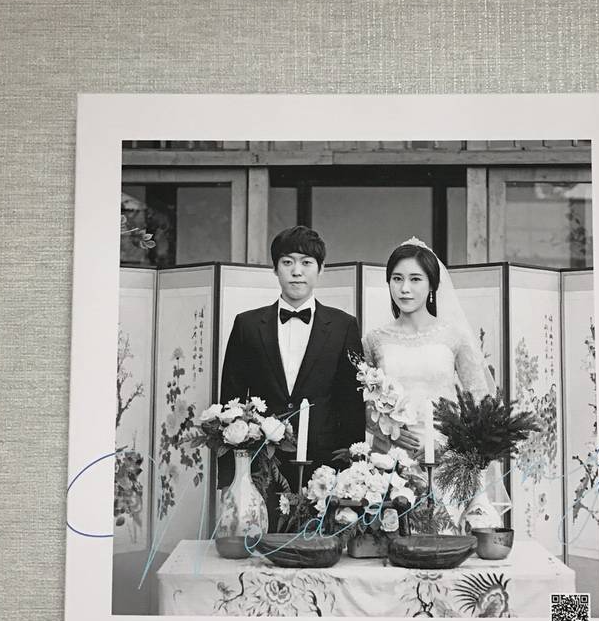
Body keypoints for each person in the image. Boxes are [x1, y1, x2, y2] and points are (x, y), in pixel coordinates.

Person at [361, 238, 509, 532]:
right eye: (397, 279)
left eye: (415, 279)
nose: (405, 288)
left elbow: (481, 405)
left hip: (447, 459)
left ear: (432, 285)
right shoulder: (374, 340)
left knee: (444, 541)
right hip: (391, 459)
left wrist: (451, 446)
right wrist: (387, 431)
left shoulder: (454, 336)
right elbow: (364, 405)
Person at [218, 226, 365, 515]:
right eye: (287, 262)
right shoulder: (247, 325)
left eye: (306, 262)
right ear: (275, 268)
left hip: (325, 469)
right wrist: (229, 479)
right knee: (260, 538)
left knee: (319, 539)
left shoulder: (343, 326)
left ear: (321, 269)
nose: (297, 271)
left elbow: (352, 407)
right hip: (261, 466)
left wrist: (352, 475)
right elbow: (229, 403)